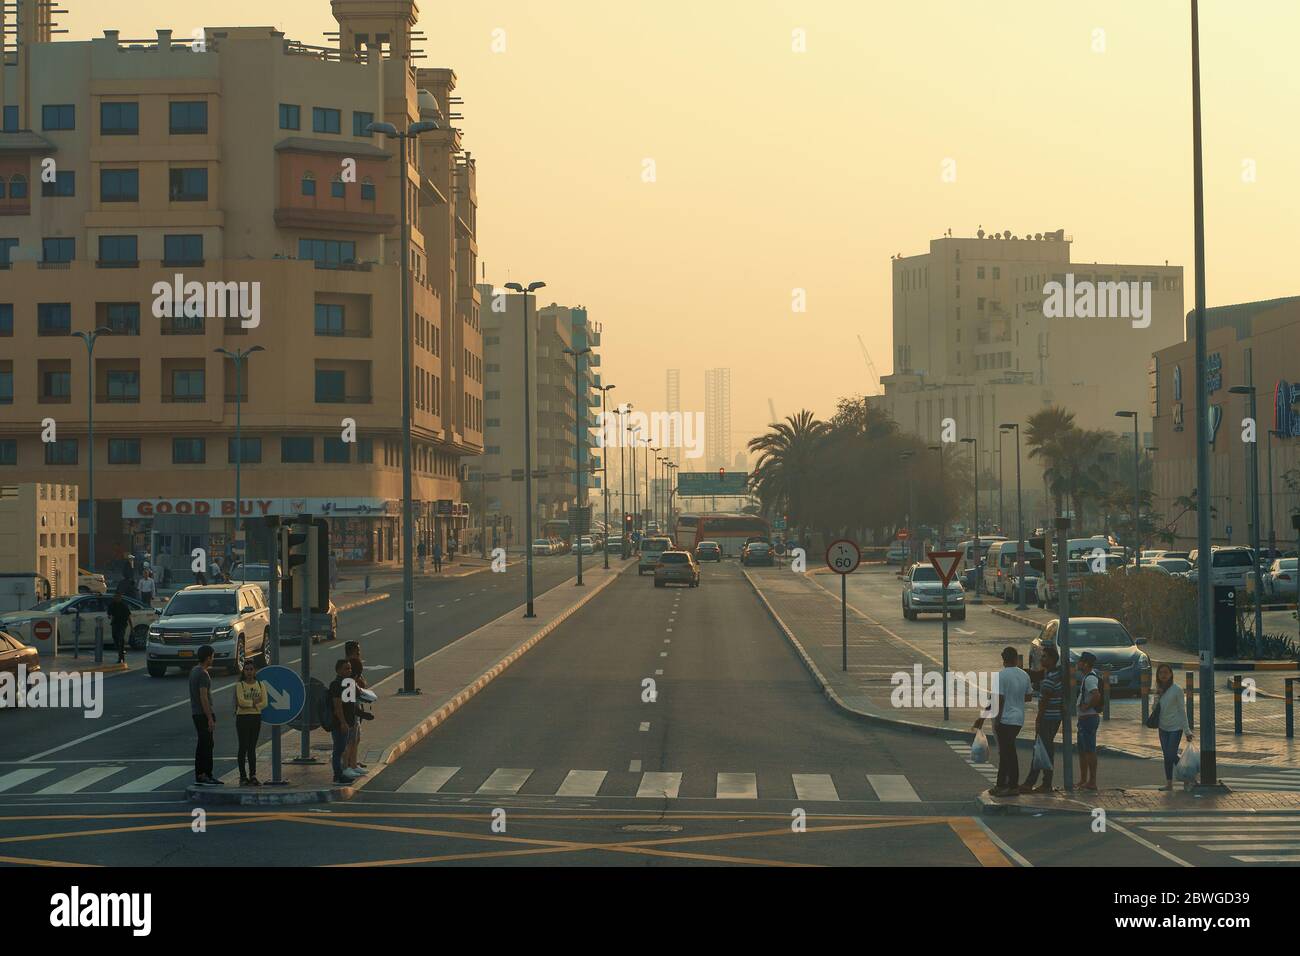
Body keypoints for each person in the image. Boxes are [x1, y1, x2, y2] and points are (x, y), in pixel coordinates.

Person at [974, 646, 1033, 797]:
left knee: (1008, 754)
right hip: (1018, 719)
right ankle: (1001, 784)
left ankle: (1011, 786)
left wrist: (990, 719)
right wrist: (1015, 697)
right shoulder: (1024, 675)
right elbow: (1028, 697)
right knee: (1007, 753)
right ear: (1015, 659)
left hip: (1005, 719)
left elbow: (996, 700)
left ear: (1003, 659)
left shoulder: (1000, 676)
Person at [1020, 644, 1063, 793]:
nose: (1041, 658)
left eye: (1044, 656)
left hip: (1048, 717)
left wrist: (1038, 719)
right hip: (1054, 717)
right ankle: (1042, 782)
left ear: (1052, 659)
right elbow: (1036, 674)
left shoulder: (1051, 677)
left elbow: (1044, 701)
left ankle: (1037, 783)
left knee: (1041, 749)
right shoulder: (1052, 673)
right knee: (1045, 749)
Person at [1152, 663, 1193, 791]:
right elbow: (1154, 709)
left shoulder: (1177, 689)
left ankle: (1187, 776)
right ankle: (1169, 784)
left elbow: (1182, 710)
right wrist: (1157, 696)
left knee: (1171, 754)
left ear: (1171, 674)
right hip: (1162, 727)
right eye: (1161, 673)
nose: (1163, 675)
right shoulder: (1158, 689)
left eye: (1166, 672)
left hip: (1176, 727)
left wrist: (1187, 731)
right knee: (1166, 756)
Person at [190, 646, 222, 786]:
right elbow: (203, 697)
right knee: (207, 745)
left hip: (196, 713)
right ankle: (206, 774)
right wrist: (209, 717)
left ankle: (200, 774)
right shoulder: (203, 674)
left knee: (202, 744)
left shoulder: (194, 671)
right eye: (212, 656)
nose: (213, 659)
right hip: (202, 714)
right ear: (208, 657)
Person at [233, 660, 267, 786]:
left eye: (251, 669)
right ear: (244, 671)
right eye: (246, 669)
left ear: (255, 671)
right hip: (242, 718)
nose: (249, 672)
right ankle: (242, 776)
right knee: (243, 746)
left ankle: (253, 775)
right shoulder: (240, 685)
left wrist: (254, 706)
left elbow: (264, 702)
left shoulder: (260, 684)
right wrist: (254, 703)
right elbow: (241, 702)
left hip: (255, 717)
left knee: (252, 747)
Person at [1076, 651, 1103, 791]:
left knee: (1089, 750)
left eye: (1080, 661)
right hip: (1084, 719)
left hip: (1089, 718)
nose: (1078, 663)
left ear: (1085, 663)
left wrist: (1086, 706)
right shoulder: (1086, 677)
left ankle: (1092, 781)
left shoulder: (1090, 679)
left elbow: (1096, 695)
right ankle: (1083, 780)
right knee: (1082, 750)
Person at [329, 659, 359, 785]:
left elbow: (351, 705)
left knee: (343, 748)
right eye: (346, 668)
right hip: (340, 724)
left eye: (350, 668)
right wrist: (343, 722)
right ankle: (338, 776)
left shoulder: (348, 683)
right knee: (339, 750)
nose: (349, 671)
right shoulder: (336, 684)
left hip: (349, 722)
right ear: (339, 670)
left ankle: (342, 773)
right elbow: (338, 706)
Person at [343, 641, 369, 777]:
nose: (359, 652)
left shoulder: (354, 664)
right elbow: (359, 684)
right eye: (357, 650)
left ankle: (353, 763)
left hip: (355, 705)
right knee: (350, 739)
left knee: (356, 738)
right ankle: (347, 766)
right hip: (350, 707)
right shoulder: (350, 666)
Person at [107, 591, 132, 664]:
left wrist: (132, 627)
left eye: (118, 597)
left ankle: (121, 657)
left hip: (122, 624)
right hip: (115, 624)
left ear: (120, 598)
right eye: (115, 597)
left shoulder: (124, 606)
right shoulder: (112, 605)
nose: (116, 598)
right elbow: (109, 614)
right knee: (115, 638)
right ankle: (120, 652)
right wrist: (110, 616)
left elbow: (128, 617)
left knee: (120, 639)